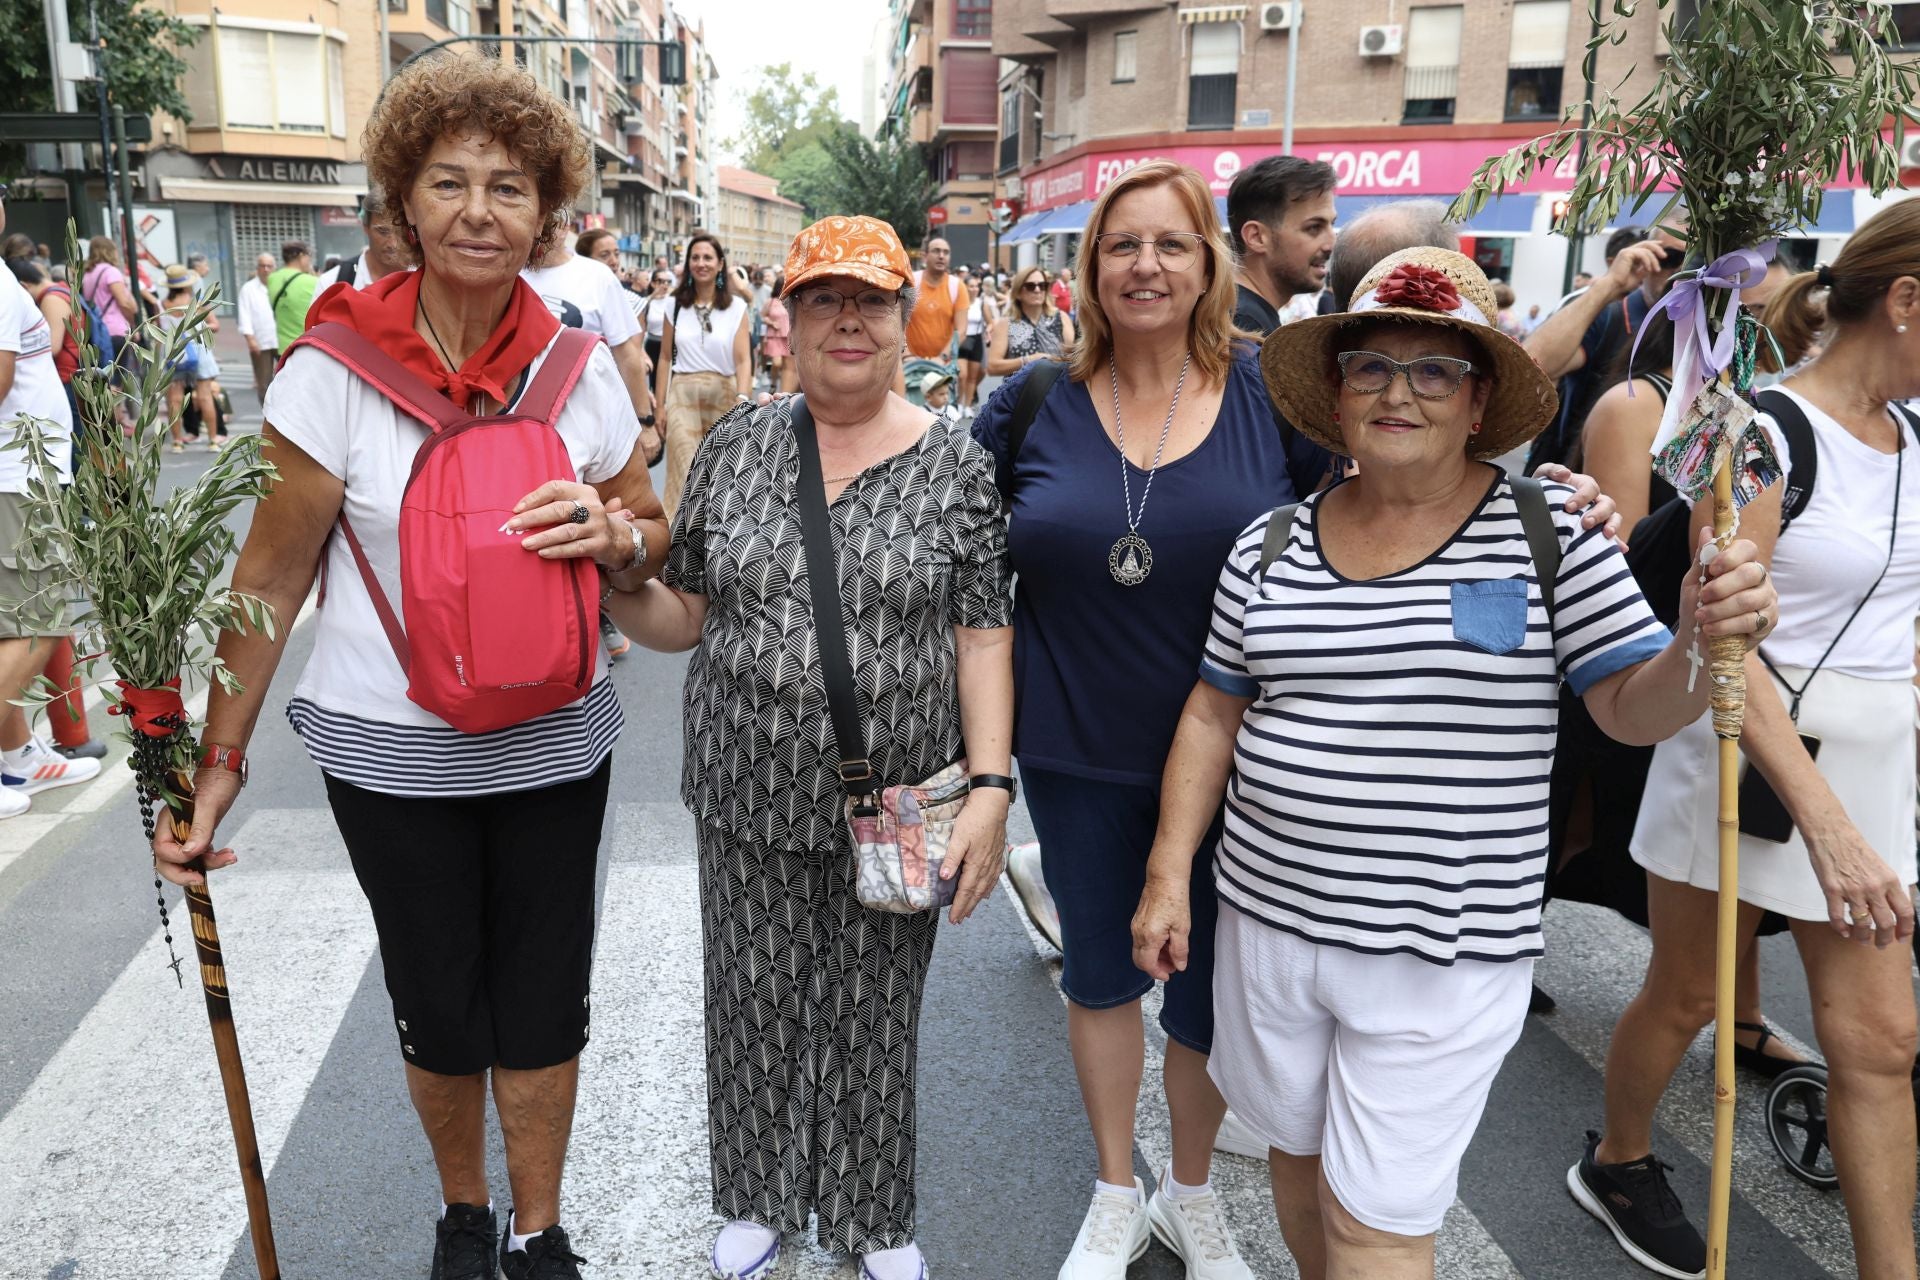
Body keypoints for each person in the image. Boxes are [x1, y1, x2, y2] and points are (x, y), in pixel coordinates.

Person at [1131, 246, 1777, 1280]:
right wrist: (1171, 873)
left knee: (1378, 1218)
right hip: (1268, 922)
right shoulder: (1267, 544)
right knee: (1296, 1164)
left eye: (1434, 369)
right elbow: (1213, 711)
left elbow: (1627, 708)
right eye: (1371, 366)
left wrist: (1701, 641)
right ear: (1336, 395)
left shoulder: (1552, 527)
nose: (1399, 391)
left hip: (1442, 949)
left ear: (1478, 401)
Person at [149, 55, 668, 1280]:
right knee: (438, 1001)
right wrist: (217, 763)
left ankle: (539, 1229)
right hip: (391, 753)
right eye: (451, 182)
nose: (481, 210)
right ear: (406, 201)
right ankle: (463, 1209)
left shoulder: (579, 368)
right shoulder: (334, 371)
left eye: (509, 185)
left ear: (546, 210)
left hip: (554, 737)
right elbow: (269, 581)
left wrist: (619, 536)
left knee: (545, 995)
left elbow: (649, 529)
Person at [606, 213, 1013, 1280]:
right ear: (782, 317)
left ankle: (874, 1218)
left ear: (902, 321)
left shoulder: (956, 464)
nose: (848, 320)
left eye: (870, 300)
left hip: (899, 799)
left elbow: (982, 636)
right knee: (751, 999)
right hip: (744, 784)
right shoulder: (740, 443)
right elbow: (686, 611)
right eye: (825, 297)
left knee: (877, 1016)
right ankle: (755, 1195)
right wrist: (613, 579)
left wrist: (989, 788)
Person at [973, 160, 1340, 1280]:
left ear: (1210, 261)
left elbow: (1378, 512)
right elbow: (958, 568)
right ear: (1089, 269)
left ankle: (1190, 1193)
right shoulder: (1028, 401)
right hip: (1074, 746)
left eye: (1170, 245)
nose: (1145, 265)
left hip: (1245, 754)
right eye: (1121, 245)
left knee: (1210, 989)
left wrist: (1547, 500)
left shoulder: (1276, 392)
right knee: (1100, 971)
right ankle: (1113, 1192)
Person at [1580, 205, 1920, 1280]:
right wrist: (1827, 826)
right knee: (1689, 993)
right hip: (1746, 757)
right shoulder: (1758, 436)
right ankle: (1621, 1158)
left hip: (1871, 768)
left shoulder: (1916, 438)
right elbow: (1727, 645)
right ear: (1907, 302)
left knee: (1882, 1045)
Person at [0, 191, 101, 817]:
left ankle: (17, 758)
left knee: (14, 624)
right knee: (40, 622)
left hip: (18, 473)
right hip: (19, 473)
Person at [1525, 219, 1688, 469]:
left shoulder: (1712, 338)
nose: (1681, 271)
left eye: (1696, 262)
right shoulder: (1609, 316)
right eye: (1670, 257)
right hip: (1576, 491)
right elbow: (1530, 366)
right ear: (1646, 254)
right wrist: (1610, 284)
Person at [653, 232, 750, 516]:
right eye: (695, 257)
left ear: (720, 264)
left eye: (708, 257)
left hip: (724, 396)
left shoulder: (736, 307)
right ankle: (678, 545)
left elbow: (744, 360)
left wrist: (743, 398)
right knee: (683, 470)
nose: (701, 263)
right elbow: (664, 357)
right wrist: (660, 405)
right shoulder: (674, 305)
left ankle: (721, 539)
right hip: (682, 393)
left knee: (724, 472)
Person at [1226, 155, 1337, 334]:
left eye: (1332, 225)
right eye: (1314, 228)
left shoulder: (1245, 315)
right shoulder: (1243, 325)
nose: (1331, 244)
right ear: (1257, 237)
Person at [156, 263, 220, 452]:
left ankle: (177, 442)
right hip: (200, 351)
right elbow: (215, 325)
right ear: (186, 284)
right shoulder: (198, 301)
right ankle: (213, 441)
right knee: (205, 397)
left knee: (174, 399)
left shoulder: (161, 305)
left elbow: (157, 332)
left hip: (174, 354)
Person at [310, 192, 412, 298]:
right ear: (365, 227)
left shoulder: (425, 277)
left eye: (401, 232)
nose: (393, 243)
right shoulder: (331, 283)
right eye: (382, 231)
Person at [984, 263, 1074, 377]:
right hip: (1019, 392)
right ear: (1018, 293)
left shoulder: (1061, 318)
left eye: (1042, 285)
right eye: (1030, 286)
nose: (1037, 290)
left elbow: (1072, 359)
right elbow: (992, 367)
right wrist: (1027, 360)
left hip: (1056, 391)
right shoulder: (1006, 324)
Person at [904, 236, 969, 368]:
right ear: (924, 256)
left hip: (942, 365)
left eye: (946, 252)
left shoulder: (957, 286)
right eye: (936, 251)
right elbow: (897, 324)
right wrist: (906, 355)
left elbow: (961, 331)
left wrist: (942, 357)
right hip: (909, 364)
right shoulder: (911, 283)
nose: (941, 256)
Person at [80, 236, 139, 371]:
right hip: (115, 330)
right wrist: (133, 326)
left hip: (98, 331)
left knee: (103, 377)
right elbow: (123, 303)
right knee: (118, 379)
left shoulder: (88, 273)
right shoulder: (111, 272)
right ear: (109, 251)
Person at [237, 252, 280, 399]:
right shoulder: (248, 289)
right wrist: (250, 339)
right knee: (263, 382)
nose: (266, 269)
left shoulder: (281, 284)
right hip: (261, 341)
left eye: (269, 266)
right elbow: (244, 315)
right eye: (262, 266)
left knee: (288, 378)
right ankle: (266, 415)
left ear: (275, 267)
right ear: (257, 268)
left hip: (282, 338)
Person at [266, 241, 319, 354]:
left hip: (284, 348)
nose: (309, 261)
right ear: (301, 256)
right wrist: (313, 274)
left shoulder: (272, 278)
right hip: (306, 346)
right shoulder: (312, 281)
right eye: (308, 256)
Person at [638, 266, 674, 373]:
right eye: (661, 281)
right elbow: (640, 307)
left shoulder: (672, 300)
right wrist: (654, 295)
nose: (665, 284)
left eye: (668, 281)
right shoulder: (646, 302)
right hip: (652, 344)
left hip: (669, 344)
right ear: (653, 283)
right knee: (654, 380)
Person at [758, 270, 790, 393]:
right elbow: (762, 316)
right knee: (777, 363)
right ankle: (773, 383)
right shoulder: (771, 302)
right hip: (774, 337)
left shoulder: (791, 300)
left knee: (787, 366)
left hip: (788, 337)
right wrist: (771, 323)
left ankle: (783, 389)